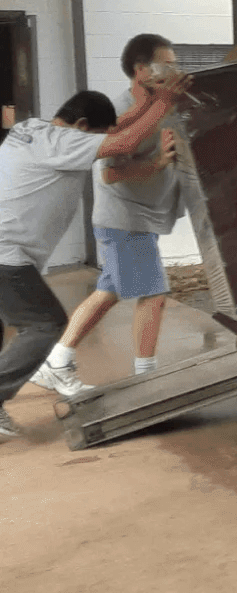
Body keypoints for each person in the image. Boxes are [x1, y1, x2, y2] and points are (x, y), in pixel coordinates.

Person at [40, 33, 237, 387]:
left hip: (138, 218)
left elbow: (203, 87)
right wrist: (155, 164)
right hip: (125, 220)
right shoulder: (121, 113)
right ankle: (147, 378)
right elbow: (110, 174)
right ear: (141, 71)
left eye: (175, 62)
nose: (174, 69)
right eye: (166, 63)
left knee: (108, 292)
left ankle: (57, 359)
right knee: (154, 295)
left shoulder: (165, 99)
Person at [0, 77, 190, 440]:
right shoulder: (64, 140)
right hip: (7, 255)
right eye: (93, 135)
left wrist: (144, 103)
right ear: (83, 127)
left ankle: (56, 364)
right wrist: (164, 101)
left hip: (8, 252)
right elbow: (125, 142)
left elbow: (119, 130)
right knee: (43, 324)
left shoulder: (31, 128)